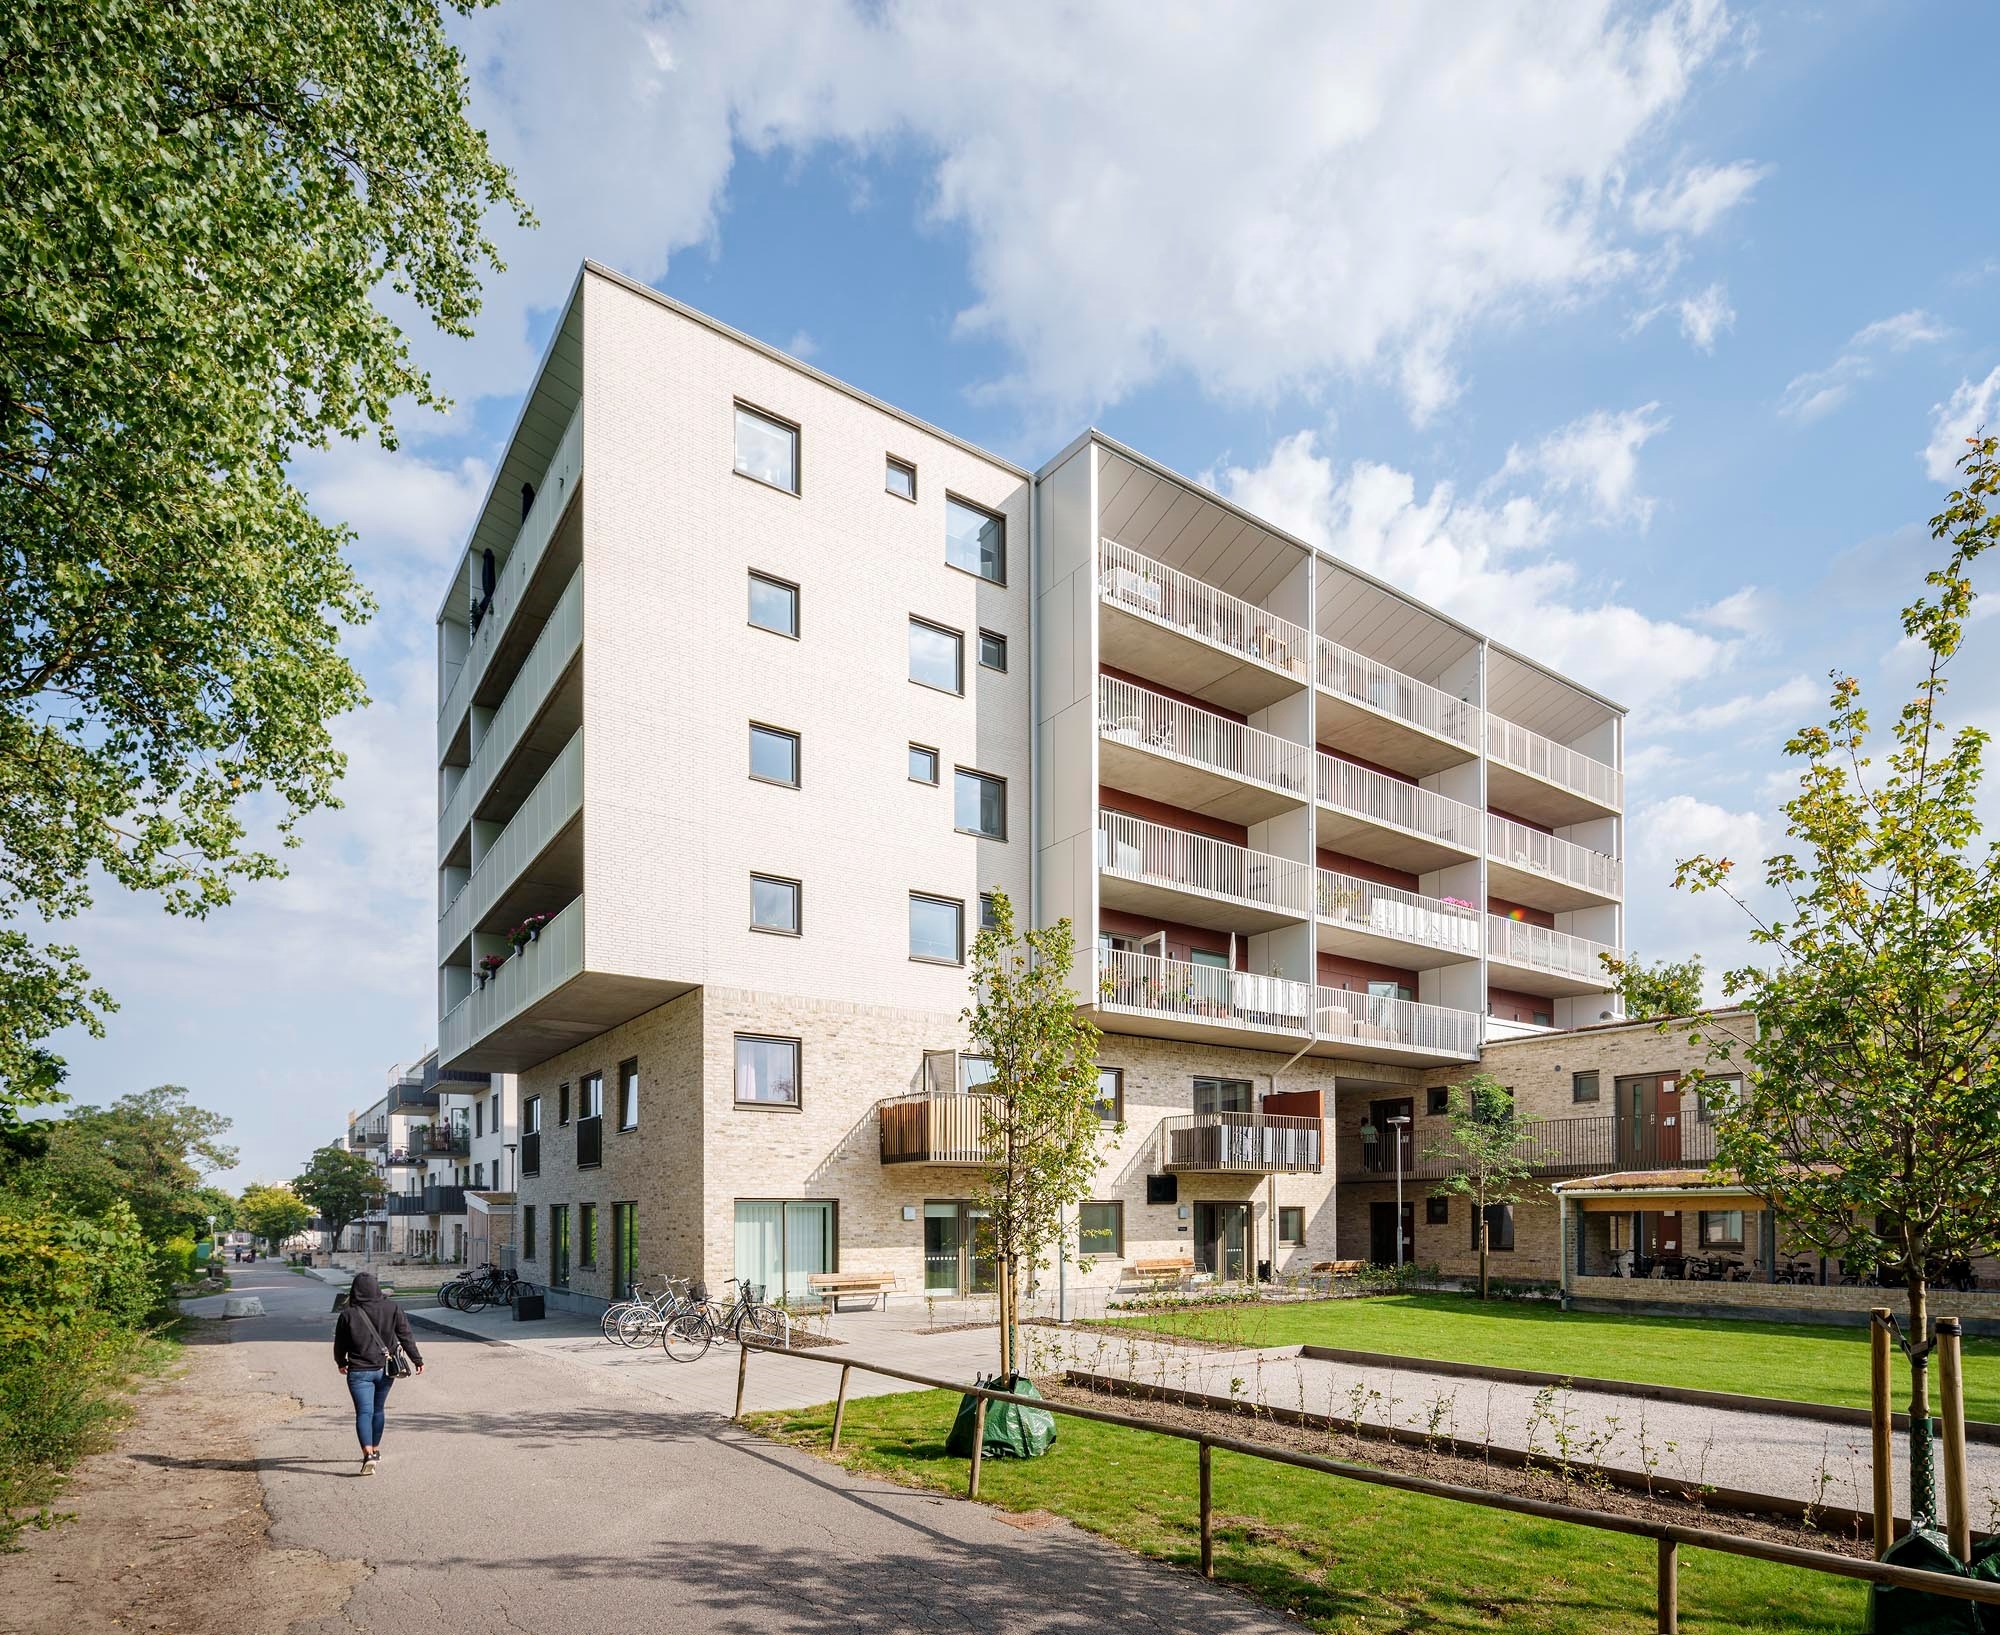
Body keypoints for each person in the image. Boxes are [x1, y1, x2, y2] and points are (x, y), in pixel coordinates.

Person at [333, 1272, 424, 1475]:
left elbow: (340, 1343)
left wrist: (341, 1362)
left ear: (355, 1289)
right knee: (378, 1410)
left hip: (358, 1371)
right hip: (385, 1369)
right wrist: (417, 1359)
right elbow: (405, 1335)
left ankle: (368, 1453)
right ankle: (375, 1449)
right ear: (377, 1288)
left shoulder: (348, 1313)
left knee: (364, 1412)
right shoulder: (392, 1308)